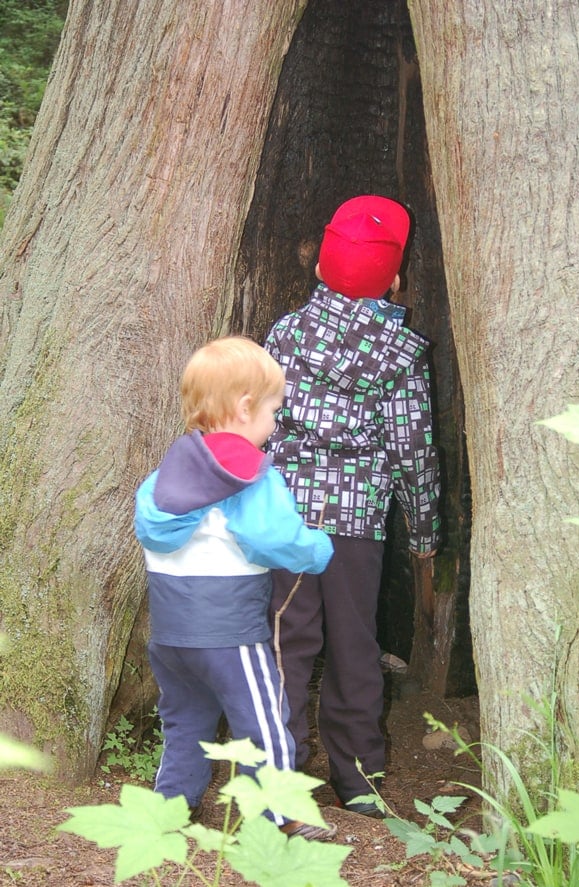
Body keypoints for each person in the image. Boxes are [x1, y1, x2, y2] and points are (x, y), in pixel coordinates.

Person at [265, 195, 441, 817]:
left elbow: (264, 421)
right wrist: (424, 530)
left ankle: (275, 777)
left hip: (286, 514)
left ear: (318, 266)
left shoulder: (286, 334)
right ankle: (358, 778)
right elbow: (412, 448)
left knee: (287, 639)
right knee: (354, 642)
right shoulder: (401, 356)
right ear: (394, 278)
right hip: (357, 524)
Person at [134, 336, 336, 840]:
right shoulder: (252, 478)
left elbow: (151, 528)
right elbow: (273, 539)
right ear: (245, 408)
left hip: (171, 635)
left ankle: (168, 814)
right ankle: (274, 816)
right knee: (262, 723)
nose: (274, 422)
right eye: (273, 409)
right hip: (230, 634)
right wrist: (318, 548)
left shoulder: (163, 476)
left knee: (185, 724)